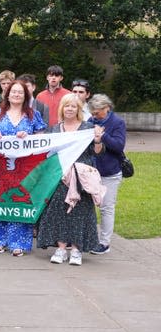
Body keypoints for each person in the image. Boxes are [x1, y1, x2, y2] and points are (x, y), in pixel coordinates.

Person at [37, 94, 101, 265]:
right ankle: (61, 248)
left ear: (79, 109)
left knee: (80, 212)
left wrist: (97, 140)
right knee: (59, 211)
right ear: (62, 109)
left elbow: (96, 152)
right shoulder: (55, 129)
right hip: (60, 176)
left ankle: (76, 250)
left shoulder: (88, 127)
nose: (70, 109)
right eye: (67, 106)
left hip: (81, 177)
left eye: (73, 106)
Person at [0, 80, 46, 257]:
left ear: (26, 96)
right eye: (14, 92)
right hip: (1, 165)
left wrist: (29, 136)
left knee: (18, 201)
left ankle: (18, 243)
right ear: (7, 94)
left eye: (20, 92)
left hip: (23, 168)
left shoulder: (33, 115)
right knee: (0, 199)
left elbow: (42, 140)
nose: (17, 95)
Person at [88, 94, 126, 255]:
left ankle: (104, 242)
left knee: (106, 208)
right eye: (93, 113)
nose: (94, 116)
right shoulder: (90, 122)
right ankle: (88, 238)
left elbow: (118, 146)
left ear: (107, 108)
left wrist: (102, 136)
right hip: (91, 172)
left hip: (110, 172)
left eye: (97, 113)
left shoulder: (117, 122)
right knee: (88, 207)